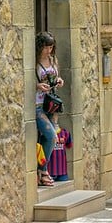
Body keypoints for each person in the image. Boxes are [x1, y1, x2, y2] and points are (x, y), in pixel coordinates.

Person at [35, 32, 65, 187]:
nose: (48, 50)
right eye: (46, 47)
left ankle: (40, 171)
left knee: (50, 138)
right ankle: (43, 170)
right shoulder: (34, 62)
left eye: (51, 47)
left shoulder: (53, 60)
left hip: (51, 105)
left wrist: (59, 81)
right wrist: (37, 86)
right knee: (51, 136)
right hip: (38, 105)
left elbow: (57, 78)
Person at [47, 113, 72, 182]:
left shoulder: (65, 133)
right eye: (52, 117)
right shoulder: (45, 134)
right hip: (50, 170)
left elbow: (69, 145)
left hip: (62, 170)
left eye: (56, 116)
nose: (54, 118)